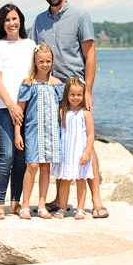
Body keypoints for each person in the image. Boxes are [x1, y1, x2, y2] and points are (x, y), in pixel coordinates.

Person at [30, 0, 109, 218]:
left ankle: (96, 200)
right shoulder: (39, 21)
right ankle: (59, 199)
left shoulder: (80, 16)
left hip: (75, 88)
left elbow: (91, 56)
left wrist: (88, 91)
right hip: (49, 88)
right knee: (59, 142)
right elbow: (34, 55)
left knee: (86, 142)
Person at [0, 3, 36, 220]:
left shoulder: (31, 45)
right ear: (1, 23)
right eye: (7, 20)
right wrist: (11, 106)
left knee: (22, 157)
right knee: (7, 154)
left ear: (21, 21)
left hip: (27, 108)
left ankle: (15, 202)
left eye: (15, 19)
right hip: (3, 108)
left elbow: (38, 73)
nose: (11, 23)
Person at [15, 43, 63, 219]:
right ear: (35, 62)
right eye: (41, 61)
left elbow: (61, 111)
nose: (45, 64)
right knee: (32, 165)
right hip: (33, 131)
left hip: (51, 132)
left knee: (45, 167)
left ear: (52, 62)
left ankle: (42, 205)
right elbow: (20, 111)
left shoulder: (57, 85)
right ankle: (25, 204)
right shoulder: (28, 84)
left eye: (48, 61)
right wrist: (17, 132)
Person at [51, 77, 95, 219]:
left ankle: (80, 209)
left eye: (79, 95)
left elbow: (91, 135)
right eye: (72, 94)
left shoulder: (85, 114)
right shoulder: (62, 111)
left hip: (80, 153)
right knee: (65, 181)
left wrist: (87, 153)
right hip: (66, 153)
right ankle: (63, 208)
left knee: (81, 181)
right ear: (67, 95)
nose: (76, 98)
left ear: (83, 96)